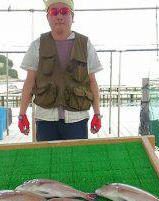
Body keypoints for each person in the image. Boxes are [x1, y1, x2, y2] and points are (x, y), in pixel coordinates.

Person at [18, 0, 103, 141]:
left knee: (76, 160)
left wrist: (97, 114)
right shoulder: (36, 45)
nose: (59, 16)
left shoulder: (86, 44)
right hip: (45, 118)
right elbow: (29, 81)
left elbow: (92, 82)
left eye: (64, 11)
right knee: (47, 160)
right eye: (54, 11)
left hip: (78, 118)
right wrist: (22, 114)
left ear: (72, 16)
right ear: (47, 17)